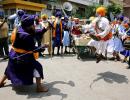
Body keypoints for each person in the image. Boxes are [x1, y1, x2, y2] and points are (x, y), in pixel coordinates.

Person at [0, 14, 49, 92]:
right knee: (38, 67)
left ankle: (0, 82)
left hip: (13, 56)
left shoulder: (20, 29)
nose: (34, 26)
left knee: (9, 68)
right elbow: (33, 49)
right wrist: (43, 46)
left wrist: (45, 29)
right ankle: (39, 88)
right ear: (28, 26)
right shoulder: (26, 36)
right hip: (22, 59)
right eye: (32, 25)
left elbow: (35, 32)